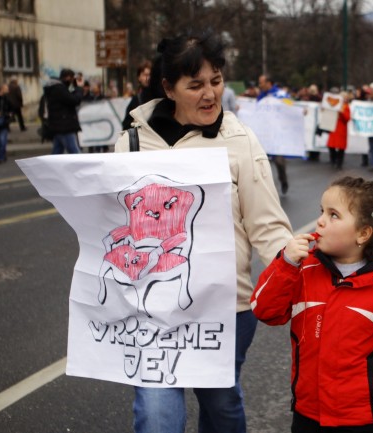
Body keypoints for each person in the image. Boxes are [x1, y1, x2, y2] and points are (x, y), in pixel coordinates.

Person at [115, 31, 293, 433]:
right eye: (195, 85)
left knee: (221, 406)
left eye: (216, 81)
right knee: (156, 413)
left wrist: (308, 275)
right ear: (168, 88)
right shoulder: (130, 144)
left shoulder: (239, 140)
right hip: (153, 309)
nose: (210, 93)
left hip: (225, 309)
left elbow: (267, 225)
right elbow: (108, 227)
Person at [251, 175, 373, 432]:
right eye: (321, 211)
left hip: (362, 417)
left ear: (363, 233)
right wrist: (286, 263)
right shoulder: (302, 268)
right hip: (308, 411)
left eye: (333, 215)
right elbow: (265, 310)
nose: (320, 220)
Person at [258, 73, 290, 194]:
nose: (259, 85)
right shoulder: (261, 95)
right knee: (261, 161)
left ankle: (283, 180)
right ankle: (265, 188)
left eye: (261, 82)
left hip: (277, 134)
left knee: (279, 161)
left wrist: (300, 111)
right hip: (264, 133)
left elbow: (290, 105)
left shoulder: (280, 94)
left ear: (268, 83)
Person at [42, 68, 83, 154]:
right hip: (64, 126)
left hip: (58, 125)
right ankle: (83, 167)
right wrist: (79, 88)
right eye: (72, 79)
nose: (72, 82)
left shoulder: (54, 88)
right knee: (75, 153)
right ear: (68, 77)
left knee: (57, 152)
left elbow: (67, 98)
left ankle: (51, 167)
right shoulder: (59, 89)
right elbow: (74, 100)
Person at [122, 61, 152, 130]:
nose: (148, 78)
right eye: (145, 75)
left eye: (150, 75)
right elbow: (126, 125)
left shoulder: (159, 96)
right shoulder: (136, 99)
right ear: (139, 78)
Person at [326, 91, 351, 170]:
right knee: (331, 146)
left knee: (341, 148)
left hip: (341, 129)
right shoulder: (335, 105)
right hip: (333, 128)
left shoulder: (346, 107)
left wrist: (342, 112)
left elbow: (347, 118)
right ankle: (333, 160)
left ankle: (339, 163)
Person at [0, 84, 12, 164]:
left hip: (4, 123)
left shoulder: (7, 99)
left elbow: (11, 111)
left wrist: (5, 114)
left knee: (2, 141)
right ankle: (3, 152)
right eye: (6, 89)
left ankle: (1, 158)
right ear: (2, 89)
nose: (8, 90)